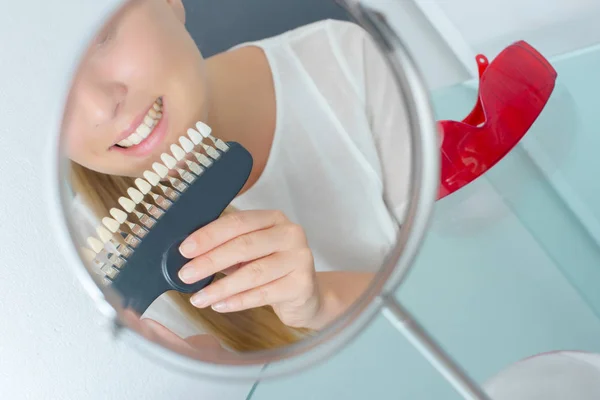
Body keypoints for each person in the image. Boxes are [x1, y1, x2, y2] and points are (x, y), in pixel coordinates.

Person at [63, 0, 411, 352]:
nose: (100, 106)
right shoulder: (76, 268)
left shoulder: (345, 62)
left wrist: (325, 301)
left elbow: (452, 285)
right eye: (54, 93)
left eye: (99, 36)